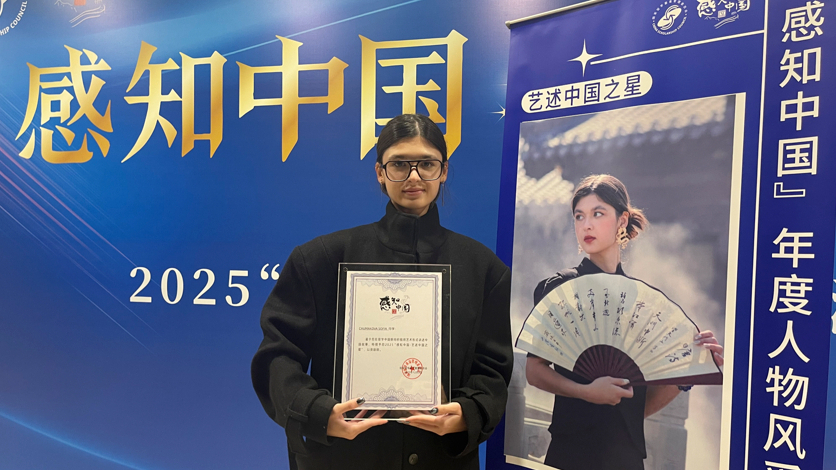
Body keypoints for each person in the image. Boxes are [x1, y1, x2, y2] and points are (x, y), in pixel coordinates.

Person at [251, 114, 513, 470]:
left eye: (427, 164)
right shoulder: (320, 259)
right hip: (342, 458)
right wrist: (317, 412)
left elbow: (494, 370)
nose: (414, 176)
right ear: (380, 172)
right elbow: (277, 356)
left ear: (444, 171)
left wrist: (469, 412)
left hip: (439, 458)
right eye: (399, 164)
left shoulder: (483, 269)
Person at [524, 174, 724, 470]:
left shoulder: (640, 303)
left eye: (598, 213)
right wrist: (586, 392)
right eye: (579, 216)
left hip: (626, 458)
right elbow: (534, 371)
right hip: (572, 453)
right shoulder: (560, 288)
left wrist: (688, 370)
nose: (586, 224)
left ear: (622, 220)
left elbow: (636, 408)